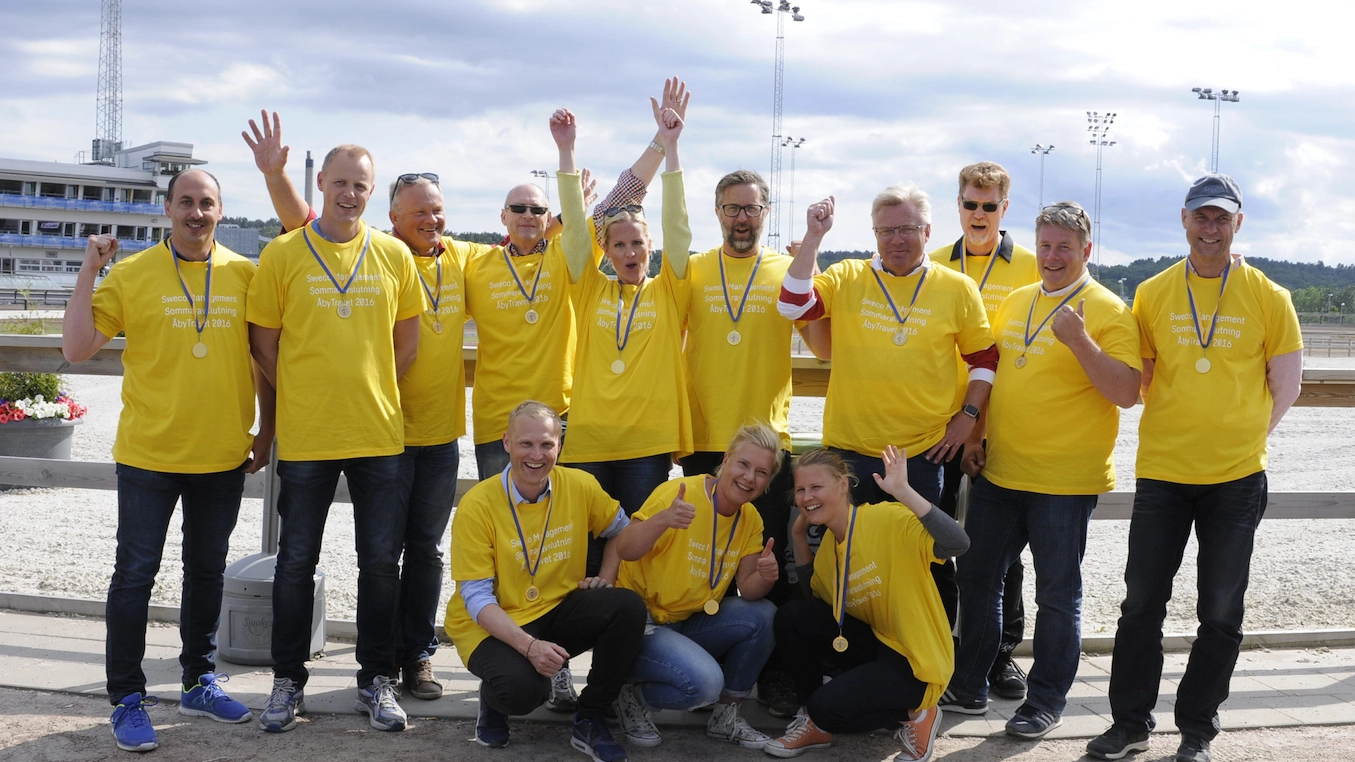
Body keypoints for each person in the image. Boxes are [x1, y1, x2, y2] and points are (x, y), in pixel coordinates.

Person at [1087, 174, 1303, 762]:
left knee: (1220, 610)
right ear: (1184, 220)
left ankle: (1197, 730)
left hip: (1236, 478)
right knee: (1141, 605)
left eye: (1221, 218)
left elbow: (1287, 385)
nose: (1211, 228)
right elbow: (1144, 377)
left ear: (1239, 223)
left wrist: (1242, 436)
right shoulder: (1153, 292)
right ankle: (1129, 724)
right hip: (1164, 472)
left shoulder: (1269, 296)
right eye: (1201, 217)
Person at [61, 169, 272, 753]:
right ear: (168, 210)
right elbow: (76, 348)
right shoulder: (132, 274)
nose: (196, 213)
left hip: (222, 454)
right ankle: (127, 698)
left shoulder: (245, 273)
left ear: (221, 211)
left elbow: (264, 359)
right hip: (149, 455)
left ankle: (197, 682)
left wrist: (268, 430)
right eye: (185, 202)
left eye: (206, 203)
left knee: (207, 573)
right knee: (135, 575)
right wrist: (89, 269)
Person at [944, 201, 1141, 739]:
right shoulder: (1018, 300)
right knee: (976, 577)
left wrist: (1080, 341)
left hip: (1064, 482)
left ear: (1087, 251)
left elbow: (1126, 392)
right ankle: (969, 685)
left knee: (1056, 595)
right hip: (1001, 473)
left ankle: (1045, 701)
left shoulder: (1108, 310)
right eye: (1046, 246)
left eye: (1065, 248)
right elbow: (993, 374)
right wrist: (976, 437)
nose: (1053, 257)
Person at [246, 144, 424, 733]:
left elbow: (407, 343)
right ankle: (287, 681)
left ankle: (376, 680)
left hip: (378, 433)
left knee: (380, 563)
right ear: (321, 182)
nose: (350, 194)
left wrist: (369, 387)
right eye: (341, 182)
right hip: (307, 436)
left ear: (373, 191)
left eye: (361, 185)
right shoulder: (283, 253)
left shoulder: (394, 254)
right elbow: (263, 342)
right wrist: (303, 392)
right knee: (296, 561)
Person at [446, 401, 647, 762]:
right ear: (507, 442)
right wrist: (530, 647)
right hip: (494, 623)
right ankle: (493, 698)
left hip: (556, 608)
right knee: (522, 692)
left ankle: (590, 718)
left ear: (559, 445)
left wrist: (606, 577)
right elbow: (476, 598)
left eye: (546, 444)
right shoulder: (478, 505)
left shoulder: (580, 485)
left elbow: (622, 529)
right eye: (526, 444)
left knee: (627, 606)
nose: (536, 456)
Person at [777, 190, 997, 515]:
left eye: (907, 229)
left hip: (923, 454)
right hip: (850, 453)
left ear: (927, 231)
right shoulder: (847, 275)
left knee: (918, 545)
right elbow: (792, 305)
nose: (896, 240)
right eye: (886, 231)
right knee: (851, 545)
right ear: (875, 234)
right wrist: (814, 236)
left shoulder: (958, 287)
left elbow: (985, 359)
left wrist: (968, 418)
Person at [556, 81, 693, 557]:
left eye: (637, 243)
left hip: (645, 445)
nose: (630, 252)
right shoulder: (589, 287)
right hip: (589, 442)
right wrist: (566, 152)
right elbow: (575, 231)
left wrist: (671, 148)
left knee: (639, 549)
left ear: (650, 247)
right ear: (607, 251)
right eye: (619, 245)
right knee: (589, 550)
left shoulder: (670, 289)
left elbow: (678, 225)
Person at [763, 447, 969, 761]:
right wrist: (799, 537)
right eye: (801, 489)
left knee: (827, 709)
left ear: (843, 485)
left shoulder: (887, 518)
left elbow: (958, 543)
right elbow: (815, 603)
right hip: (878, 646)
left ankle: (918, 714)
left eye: (816, 487)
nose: (806, 497)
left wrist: (903, 491)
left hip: (916, 661)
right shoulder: (830, 543)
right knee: (792, 616)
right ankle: (812, 723)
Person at [929, 161, 1040, 697]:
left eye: (989, 206)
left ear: (1004, 208)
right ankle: (943, 648)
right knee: (934, 541)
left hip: (1003, 428)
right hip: (938, 427)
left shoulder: (1033, 267)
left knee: (1001, 551)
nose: (978, 214)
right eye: (970, 204)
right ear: (958, 204)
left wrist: (979, 427)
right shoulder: (932, 264)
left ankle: (1000, 655)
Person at [609, 423, 784, 749]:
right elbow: (625, 549)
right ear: (726, 459)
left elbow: (749, 591)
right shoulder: (680, 493)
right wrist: (663, 520)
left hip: (688, 621)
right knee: (705, 684)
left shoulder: (750, 519)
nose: (749, 478)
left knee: (764, 615)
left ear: (768, 481)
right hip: (640, 623)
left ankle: (726, 717)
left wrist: (766, 575)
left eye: (761, 472)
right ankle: (628, 696)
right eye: (743, 464)